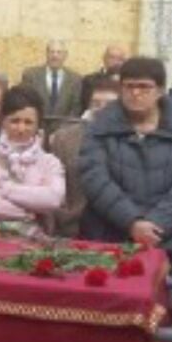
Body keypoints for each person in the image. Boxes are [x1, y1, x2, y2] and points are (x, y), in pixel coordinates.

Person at [78, 57, 172, 273]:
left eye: (144, 87)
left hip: (170, 240)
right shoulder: (100, 128)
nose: (136, 93)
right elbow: (94, 177)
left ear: (160, 91)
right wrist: (132, 222)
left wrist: (155, 226)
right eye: (129, 86)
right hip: (108, 236)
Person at [0, 86, 66, 230]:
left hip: (36, 241)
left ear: (38, 125)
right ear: (3, 121)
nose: (21, 128)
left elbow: (54, 199)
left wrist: (5, 190)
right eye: (15, 121)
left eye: (28, 122)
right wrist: (29, 212)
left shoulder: (50, 163)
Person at [49, 75, 120, 237]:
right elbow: (56, 186)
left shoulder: (128, 139)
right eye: (96, 103)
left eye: (109, 105)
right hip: (72, 226)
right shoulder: (65, 138)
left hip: (117, 227)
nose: (101, 109)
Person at [19, 40, 83, 130]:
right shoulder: (31, 75)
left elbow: (75, 107)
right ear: (46, 54)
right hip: (35, 129)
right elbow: (25, 103)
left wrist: (63, 130)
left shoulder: (75, 79)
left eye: (59, 52)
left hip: (63, 131)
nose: (55, 56)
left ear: (65, 55)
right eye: (52, 52)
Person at [79, 44, 128, 112]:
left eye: (120, 59)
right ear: (104, 58)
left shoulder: (127, 82)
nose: (116, 62)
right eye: (112, 57)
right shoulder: (90, 80)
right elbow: (85, 104)